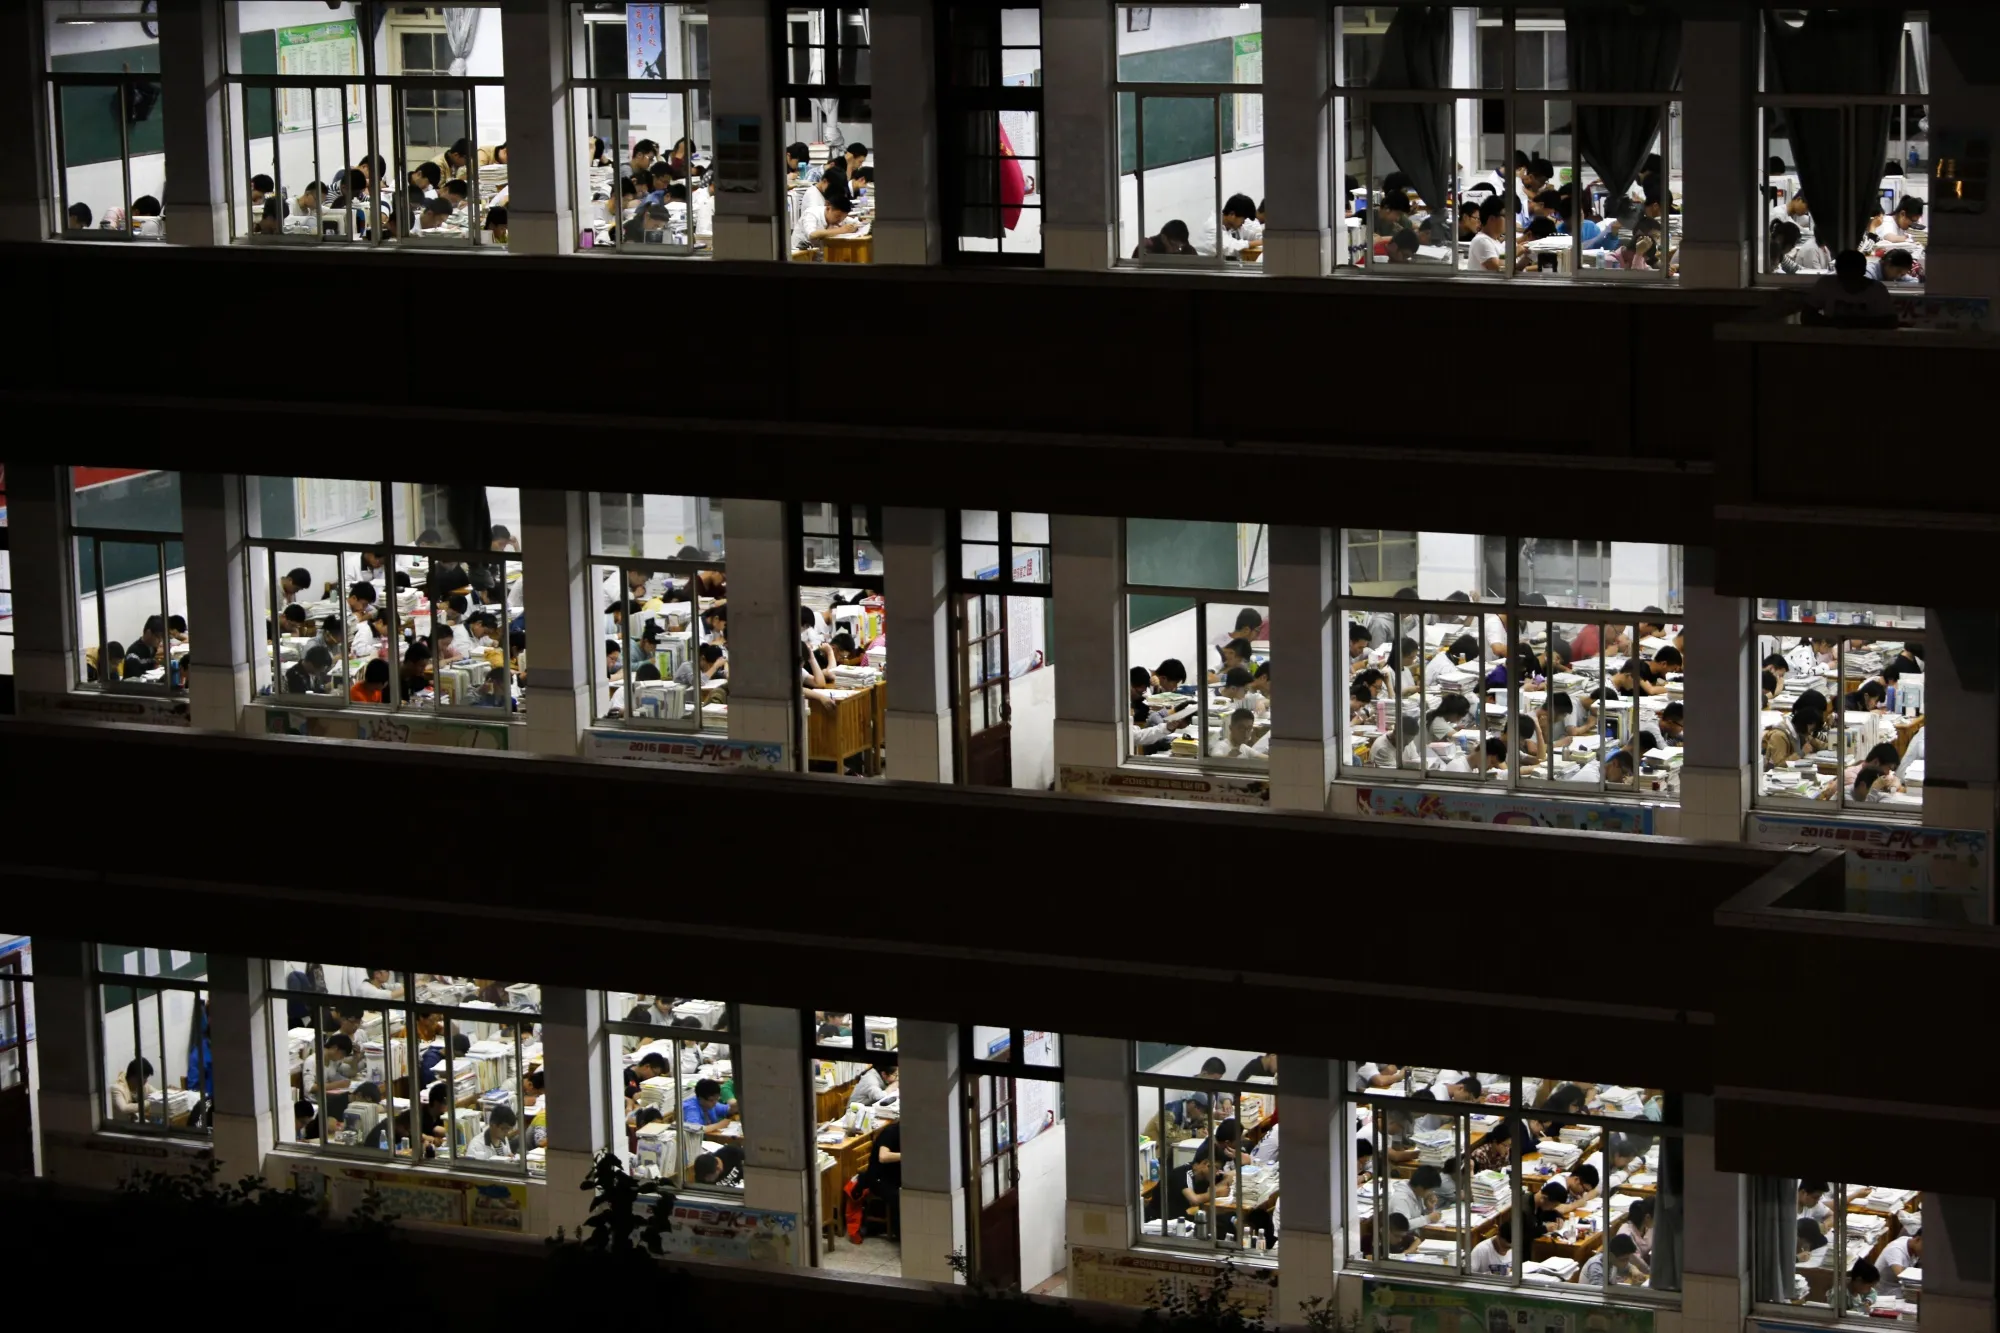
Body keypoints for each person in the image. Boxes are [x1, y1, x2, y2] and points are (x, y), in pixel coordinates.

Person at [1801, 250, 1897, 324]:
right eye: (1846, 274)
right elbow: (1806, 316)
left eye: (1854, 274)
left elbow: (1891, 321)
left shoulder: (1877, 290)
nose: (1850, 278)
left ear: (1863, 271)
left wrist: (1842, 323)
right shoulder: (1826, 284)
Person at [792, 182, 858, 253]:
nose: (839, 220)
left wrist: (853, 227)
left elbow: (857, 223)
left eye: (843, 218)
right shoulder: (811, 213)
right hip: (800, 253)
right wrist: (840, 230)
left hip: (820, 254)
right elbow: (812, 234)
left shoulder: (840, 216)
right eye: (837, 216)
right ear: (828, 208)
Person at [1200, 193, 1259, 260]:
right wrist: (1259, 242)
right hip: (1204, 265)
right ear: (1232, 214)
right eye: (1243, 218)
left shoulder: (1231, 226)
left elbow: (1250, 233)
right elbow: (1229, 247)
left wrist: (1263, 238)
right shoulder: (1212, 226)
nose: (1243, 222)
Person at [1469, 196, 1508, 272]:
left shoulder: (1495, 241)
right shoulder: (1481, 240)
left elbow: (1510, 269)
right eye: (1504, 216)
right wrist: (1515, 253)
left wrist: (1526, 257)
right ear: (1492, 219)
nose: (1508, 220)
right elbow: (1498, 268)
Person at [110, 1056, 155, 1121]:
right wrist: (150, 1102)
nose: (146, 1081)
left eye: (146, 1078)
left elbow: (158, 1094)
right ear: (133, 1076)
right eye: (144, 1078)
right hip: (120, 1125)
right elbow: (124, 1108)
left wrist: (167, 1091)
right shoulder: (116, 1089)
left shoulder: (144, 1086)